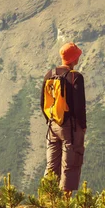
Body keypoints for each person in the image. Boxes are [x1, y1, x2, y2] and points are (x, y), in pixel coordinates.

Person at [40, 42, 87, 198]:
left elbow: (43, 102)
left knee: (51, 165)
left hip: (53, 126)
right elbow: (80, 106)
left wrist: (51, 120)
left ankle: (48, 200)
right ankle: (65, 202)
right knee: (70, 164)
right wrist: (83, 126)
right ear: (74, 58)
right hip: (71, 128)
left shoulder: (49, 74)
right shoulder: (76, 77)